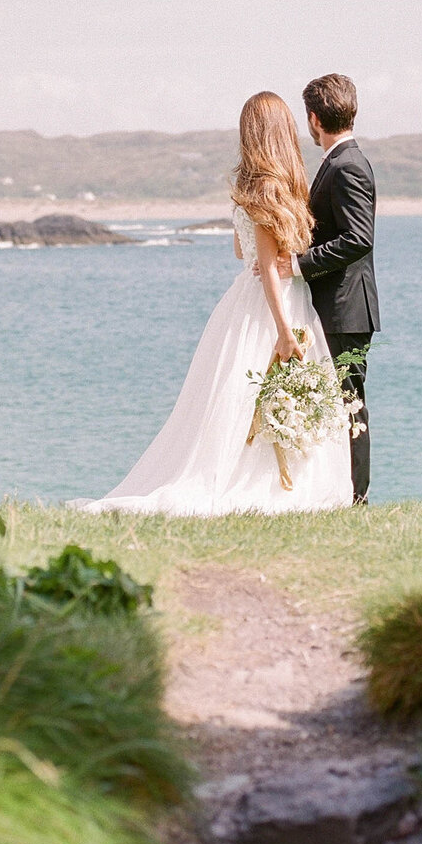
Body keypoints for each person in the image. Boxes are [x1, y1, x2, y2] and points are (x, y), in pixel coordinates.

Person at [80, 91, 352, 515]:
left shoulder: (251, 188)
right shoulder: (269, 190)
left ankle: (280, 478)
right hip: (275, 304)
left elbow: (240, 254)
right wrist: (283, 330)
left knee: (248, 398)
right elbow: (261, 263)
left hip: (255, 299)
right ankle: (270, 483)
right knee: (258, 395)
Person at [275, 74, 379, 504]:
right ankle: (337, 491)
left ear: (314, 119)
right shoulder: (339, 161)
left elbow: (359, 238)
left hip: (346, 310)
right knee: (337, 403)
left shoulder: (348, 165)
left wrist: (298, 265)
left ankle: (356, 497)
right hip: (335, 308)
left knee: (349, 404)